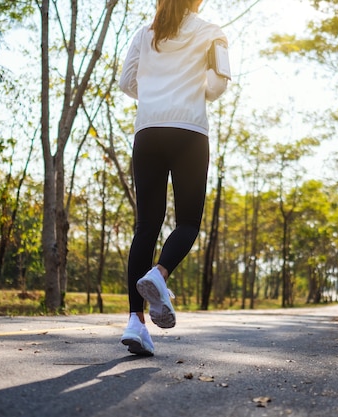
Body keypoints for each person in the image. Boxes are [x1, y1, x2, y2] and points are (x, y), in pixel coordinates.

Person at [117, 0, 230, 356]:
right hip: (189, 132)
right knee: (187, 223)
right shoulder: (212, 33)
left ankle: (135, 324)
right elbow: (217, 86)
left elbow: (125, 82)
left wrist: (154, 96)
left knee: (146, 226)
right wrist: (191, 90)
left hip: (148, 131)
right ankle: (159, 274)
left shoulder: (143, 33)